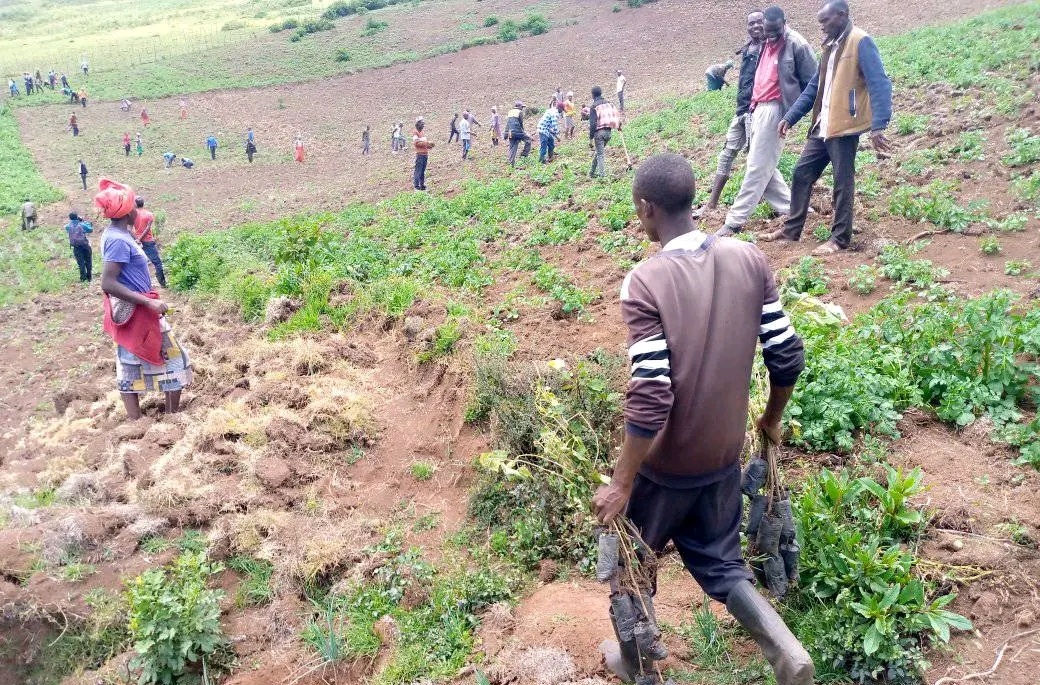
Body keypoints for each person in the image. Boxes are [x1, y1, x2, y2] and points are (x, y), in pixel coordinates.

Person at [593, 153, 812, 685]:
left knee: (631, 563)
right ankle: (787, 652)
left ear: (647, 210)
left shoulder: (644, 282)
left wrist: (623, 482)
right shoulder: (751, 259)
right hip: (721, 457)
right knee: (723, 564)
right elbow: (786, 354)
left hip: (664, 466)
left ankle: (638, 664)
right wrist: (770, 420)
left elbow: (651, 393)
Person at [760, 0, 893, 255]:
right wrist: (791, 116)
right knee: (801, 174)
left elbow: (880, 83)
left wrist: (879, 125)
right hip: (823, 124)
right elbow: (813, 87)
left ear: (842, 15)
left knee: (842, 182)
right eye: (820, 21)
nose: (821, 26)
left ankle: (840, 239)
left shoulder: (860, 41)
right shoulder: (829, 47)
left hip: (845, 125)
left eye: (825, 20)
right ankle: (791, 230)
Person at [96, 178, 192, 421]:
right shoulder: (117, 240)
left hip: (135, 308)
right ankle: (170, 418)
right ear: (127, 210)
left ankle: (136, 419)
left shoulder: (118, 234)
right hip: (137, 308)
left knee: (129, 358)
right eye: (133, 207)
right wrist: (148, 302)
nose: (137, 211)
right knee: (174, 359)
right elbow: (108, 282)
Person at [720, 6, 817, 236]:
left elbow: (813, 84)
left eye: (774, 30)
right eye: (767, 30)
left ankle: (734, 221)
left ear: (785, 22)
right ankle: (795, 208)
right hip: (757, 108)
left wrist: (792, 113)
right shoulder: (765, 42)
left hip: (776, 109)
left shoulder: (796, 44)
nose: (770, 35)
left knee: (756, 167)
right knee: (764, 165)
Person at [695, 11, 766, 216]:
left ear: (766, 23)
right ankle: (711, 205)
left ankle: (784, 205)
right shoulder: (747, 48)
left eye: (759, 22)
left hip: (758, 108)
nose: (755, 26)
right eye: (751, 23)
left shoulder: (768, 48)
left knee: (757, 158)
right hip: (741, 109)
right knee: (727, 154)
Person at [132, 197, 167, 288]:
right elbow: (147, 229)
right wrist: (140, 239)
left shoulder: (133, 214)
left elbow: (129, 229)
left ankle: (140, 284)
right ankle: (162, 283)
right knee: (157, 263)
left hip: (137, 243)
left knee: (138, 264)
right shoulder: (149, 214)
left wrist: (137, 239)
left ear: (135, 204)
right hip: (148, 242)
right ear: (143, 203)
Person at [589, 86, 622, 178]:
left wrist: (590, 138)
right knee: (598, 152)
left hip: (599, 133)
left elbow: (592, 124)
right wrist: (619, 125)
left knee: (600, 155)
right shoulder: (609, 103)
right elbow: (615, 115)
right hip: (608, 132)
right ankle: (591, 173)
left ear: (593, 95)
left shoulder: (593, 106)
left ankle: (602, 176)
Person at [65, 212, 94, 282]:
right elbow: (90, 229)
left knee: (81, 263)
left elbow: (66, 228)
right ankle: (89, 277)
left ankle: (83, 278)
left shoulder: (68, 226)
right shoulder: (82, 224)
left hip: (76, 247)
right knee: (88, 261)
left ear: (70, 218)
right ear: (77, 217)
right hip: (85, 246)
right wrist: (83, 221)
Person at [504, 101, 532, 167]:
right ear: (518, 106)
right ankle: (524, 154)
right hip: (518, 132)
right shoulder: (520, 112)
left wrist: (506, 134)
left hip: (510, 133)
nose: (522, 108)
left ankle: (511, 163)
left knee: (512, 147)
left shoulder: (510, 112)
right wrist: (523, 132)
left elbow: (508, 124)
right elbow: (521, 124)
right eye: (522, 107)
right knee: (528, 140)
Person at [412, 118, 434, 190]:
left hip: (425, 154)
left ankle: (422, 185)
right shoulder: (415, 133)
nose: (423, 126)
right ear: (418, 124)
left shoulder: (422, 133)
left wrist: (429, 146)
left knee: (422, 170)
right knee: (418, 170)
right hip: (420, 154)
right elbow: (416, 143)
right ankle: (416, 186)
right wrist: (427, 143)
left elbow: (423, 143)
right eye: (422, 124)